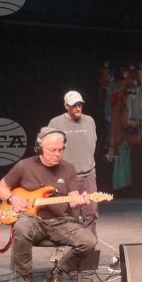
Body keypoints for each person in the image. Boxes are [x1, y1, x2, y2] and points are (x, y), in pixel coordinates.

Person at [0, 127, 97, 282]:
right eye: (52, 150)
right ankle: (25, 278)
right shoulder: (24, 166)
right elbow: (0, 188)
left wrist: (81, 200)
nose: (57, 154)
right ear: (39, 148)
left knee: (89, 241)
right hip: (33, 221)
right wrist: (12, 198)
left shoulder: (69, 169)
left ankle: (57, 272)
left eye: (61, 150)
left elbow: (73, 200)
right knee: (22, 226)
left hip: (61, 222)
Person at [48, 91, 99, 235]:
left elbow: (92, 143)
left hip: (88, 174)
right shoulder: (55, 123)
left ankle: (89, 243)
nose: (78, 108)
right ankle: (64, 244)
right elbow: (48, 147)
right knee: (67, 213)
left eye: (80, 105)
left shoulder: (89, 121)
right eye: (74, 105)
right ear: (66, 106)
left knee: (91, 212)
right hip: (66, 176)